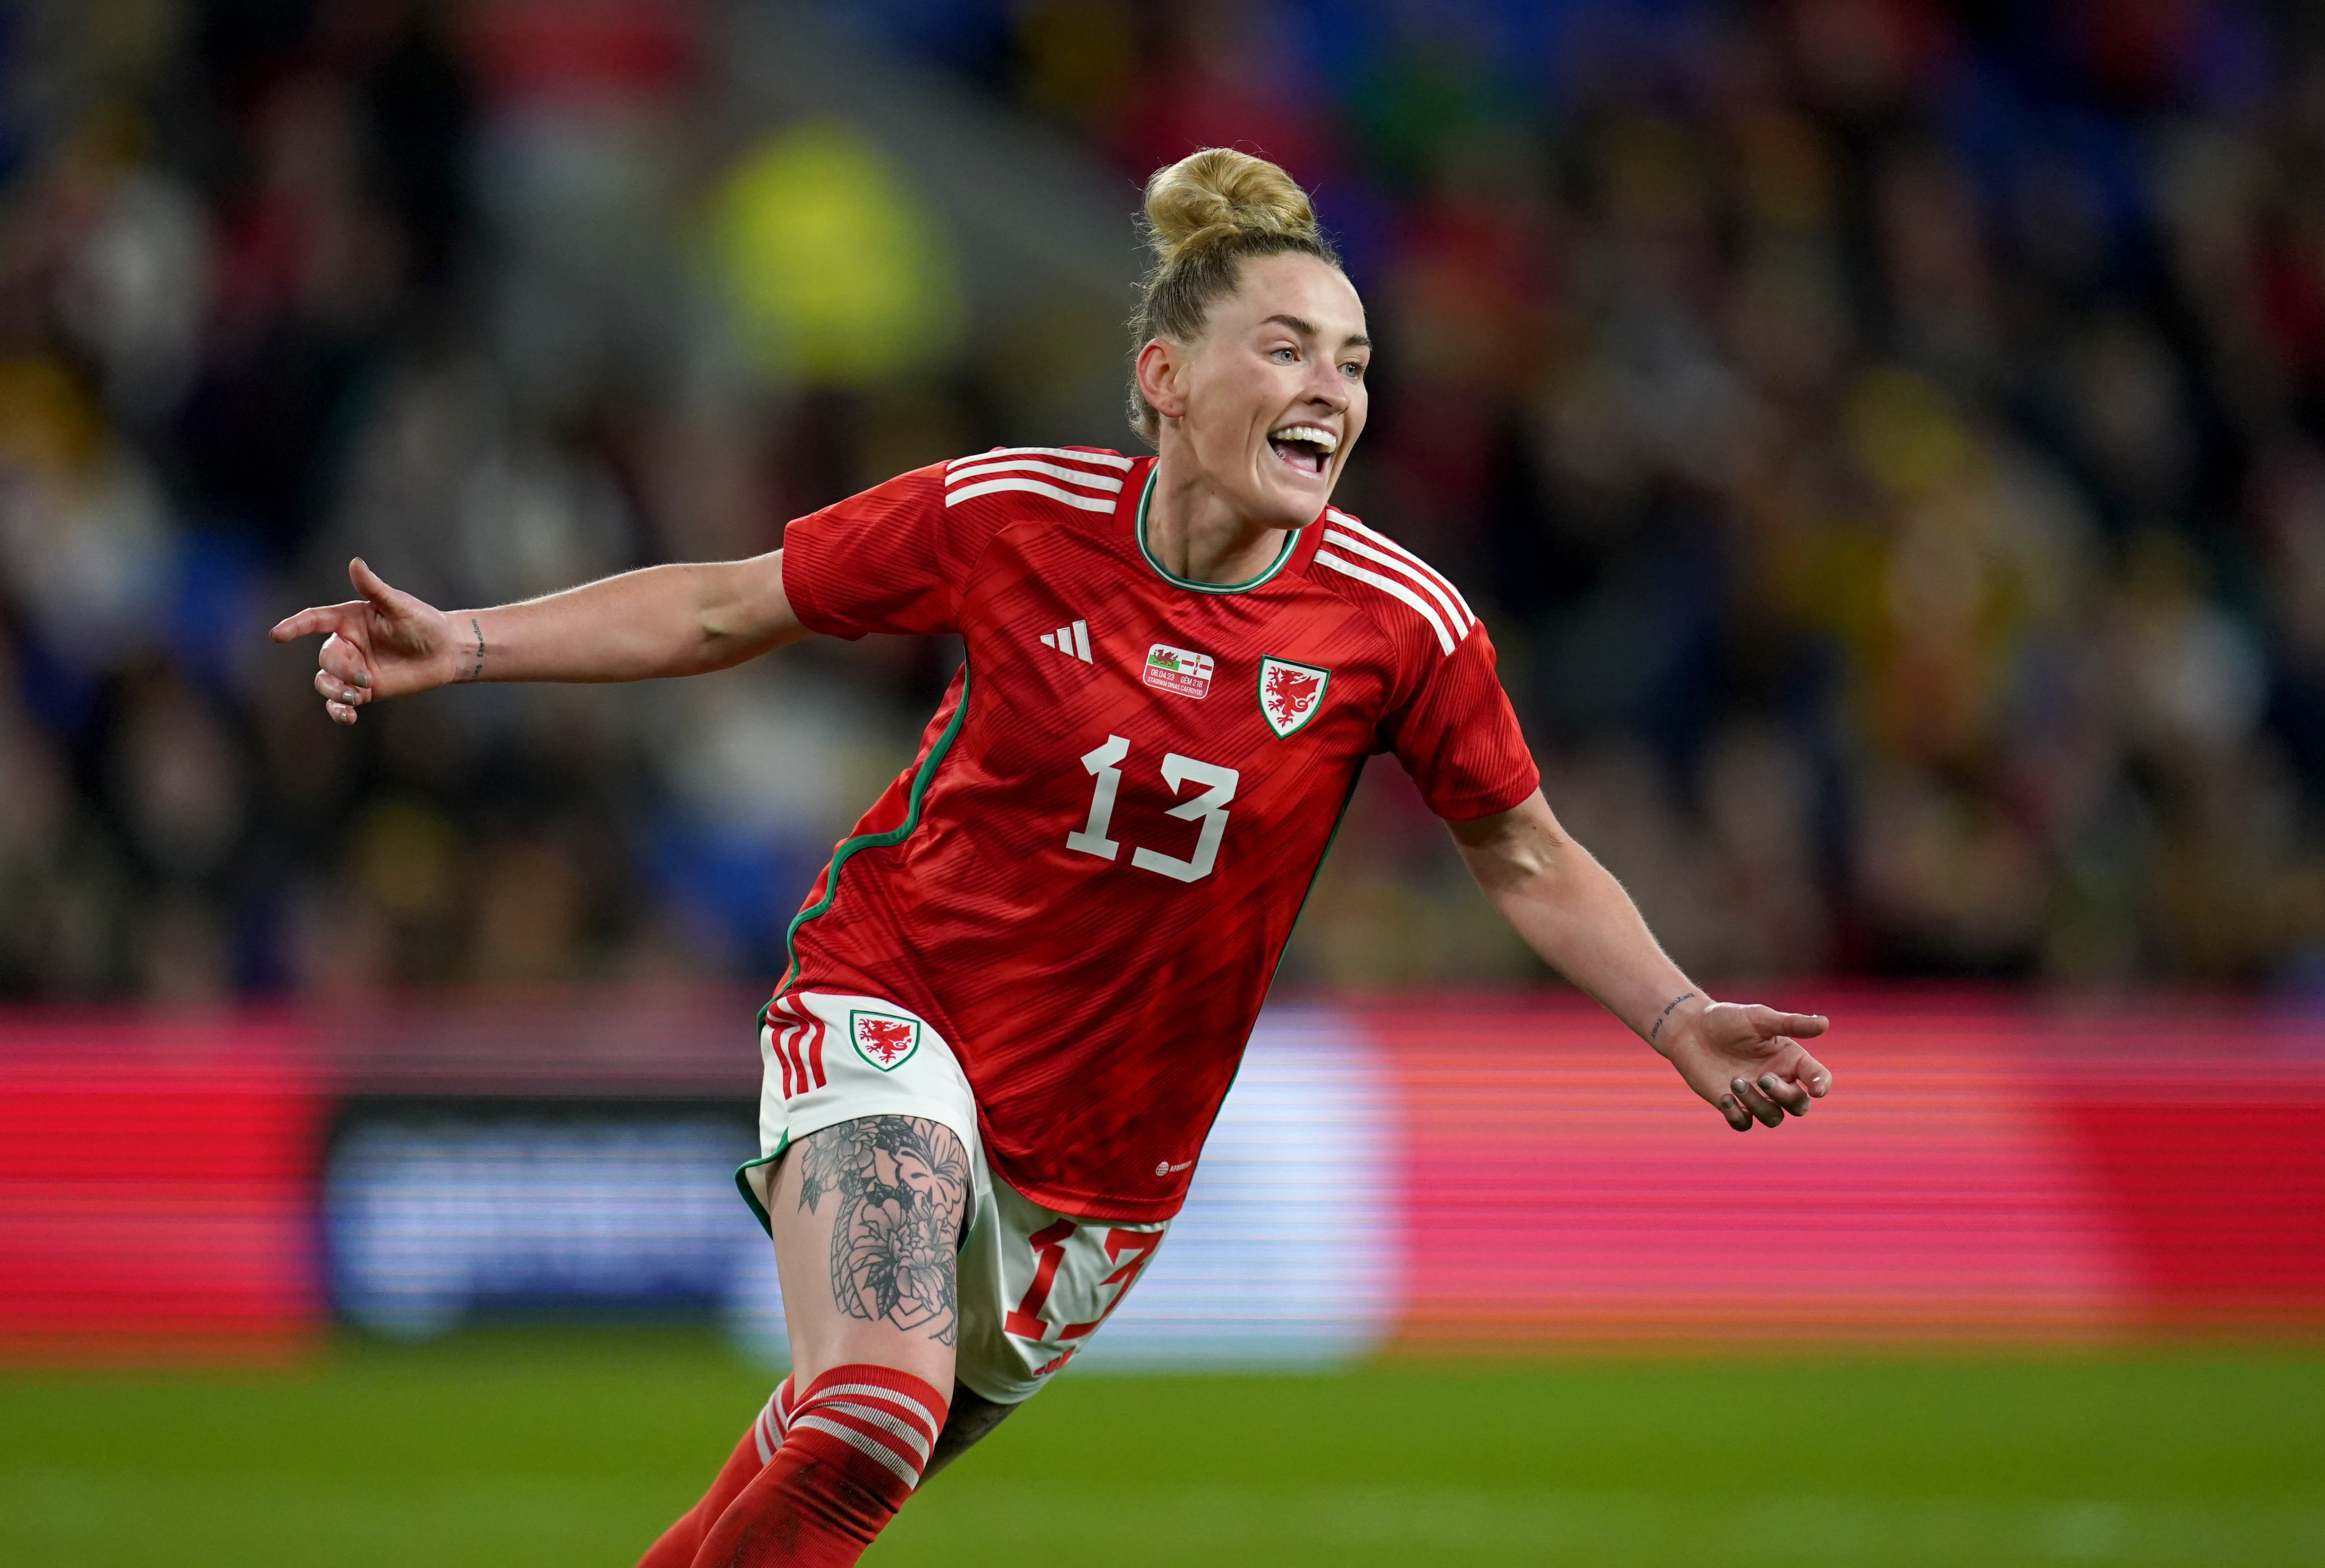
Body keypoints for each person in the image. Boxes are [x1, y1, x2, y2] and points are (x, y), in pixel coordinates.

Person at [272, 147, 1833, 1568]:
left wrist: (1678, 1013)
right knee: (875, 1405)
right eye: (1285, 347)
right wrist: (466, 640)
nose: (1333, 390)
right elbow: (721, 607)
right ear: (1165, 376)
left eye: (1353, 360)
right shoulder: (1011, 513)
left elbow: (1528, 855)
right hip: (897, 1006)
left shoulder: (1399, 624)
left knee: (832, 1460)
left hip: (1106, 1163)